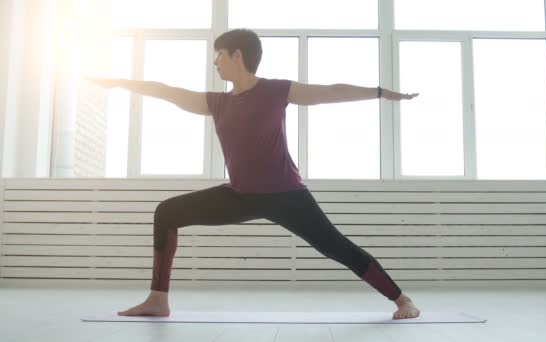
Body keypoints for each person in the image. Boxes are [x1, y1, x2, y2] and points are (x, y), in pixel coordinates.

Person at [86, 28, 420, 320]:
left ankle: (402, 300)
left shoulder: (277, 90)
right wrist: (120, 83)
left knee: (335, 247)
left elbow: (330, 91)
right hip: (240, 196)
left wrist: (379, 92)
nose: (215, 62)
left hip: (287, 195)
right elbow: (166, 91)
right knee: (167, 212)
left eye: (219, 55)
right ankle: (158, 300)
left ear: (237, 54)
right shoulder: (216, 102)